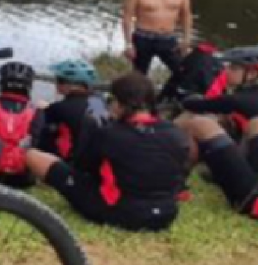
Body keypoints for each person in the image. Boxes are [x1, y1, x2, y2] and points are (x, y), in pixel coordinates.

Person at [26, 72, 190, 232]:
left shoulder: (108, 133)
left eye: (112, 101)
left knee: (33, 156)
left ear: (119, 104)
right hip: (166, 215)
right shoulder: (176, 132)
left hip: (119, 213)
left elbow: (82, 168)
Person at [177, 46, 258, 165]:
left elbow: (194, 105)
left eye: (233, 68)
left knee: (193, 119)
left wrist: (188, 99)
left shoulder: (238, 99)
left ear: (252, 74)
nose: (226, 71)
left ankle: (177, 161)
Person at [121, 0, 193, 76]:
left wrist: (186, 38)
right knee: (139, 75)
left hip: (168, 37)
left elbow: (186, 15)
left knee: (182, 71)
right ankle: (141, 94)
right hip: (143, 37)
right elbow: (127, 18)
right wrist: (128, 44)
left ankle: (172, 93)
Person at [39, 59, 107, 162]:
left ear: (71, 84)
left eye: (60, 80)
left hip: (71, 165)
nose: (56, 84)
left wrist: (43, 111)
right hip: (95, 162)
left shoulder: (57, 108)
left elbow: (42, 140)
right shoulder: (100, 103)